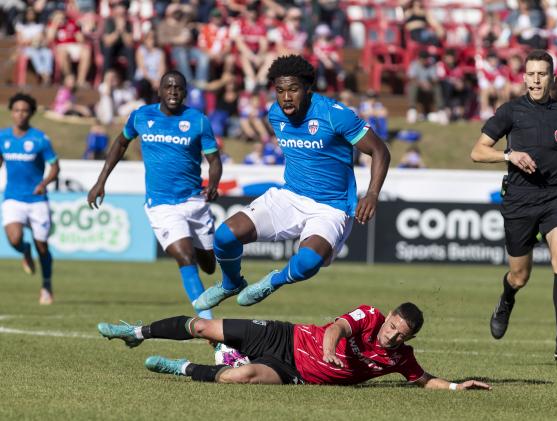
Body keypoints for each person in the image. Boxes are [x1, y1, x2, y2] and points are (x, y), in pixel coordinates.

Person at [194, 55, 390, 310]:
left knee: (307, 263)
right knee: (224, 236)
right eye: (280, 90)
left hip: (331, 207)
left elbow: (380, 151)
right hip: (290, 196)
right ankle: (231, 283)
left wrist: (372, 194)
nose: (286, 97)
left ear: (308, 88)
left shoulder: (334, 115)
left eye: (293, 89)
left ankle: (273, 281)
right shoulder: (276, 114)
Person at [470, 50, 557, 361]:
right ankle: (506, 298)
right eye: (531, 73)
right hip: (519, 201)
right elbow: (477, 151)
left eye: (542, 74)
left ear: (553, 79)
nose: (536, 79)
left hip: (556, 196)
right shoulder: (510, 112)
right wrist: (509, 156)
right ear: (524, 78)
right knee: (520, 275)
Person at [96, 302, 491, 390]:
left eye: (400, 334)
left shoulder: (400, 357)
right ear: (387, 317)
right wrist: (331, 348)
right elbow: (336, 329)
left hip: (294, 373)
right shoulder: (369, 315)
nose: (390, 334)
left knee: (239, 377)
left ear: (409, 338)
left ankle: (177, 367)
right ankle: (138, 332)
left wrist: (456, 386)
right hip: (284, 336)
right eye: (391, 326)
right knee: (202, 326)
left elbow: (422, 380)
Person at [87, 70, 222, 321]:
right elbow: (120, 143)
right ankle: (207, 323)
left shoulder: (198, 120)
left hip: (194, 202)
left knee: (209, 265)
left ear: (185, 92)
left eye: (178, 87)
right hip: (161, 205)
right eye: (168, 87)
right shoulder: (141, 116)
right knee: (185, 256)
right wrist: (100, 180)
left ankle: (203, 254)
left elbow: (214, 160)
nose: (173, 91)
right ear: (159, 91)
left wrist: (213, 182)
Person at [0, 93, 60, 305]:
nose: (20, 114)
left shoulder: (40, 139)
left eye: (25, 110)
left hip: (37, 200)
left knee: (42, 246)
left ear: (31, 113)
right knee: (14, 239)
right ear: (12, 112)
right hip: (13, 198)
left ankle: (46, 285)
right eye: (16, 110)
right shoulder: (3, 137)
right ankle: (24, 250)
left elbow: (55, 167)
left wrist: (44, 183)